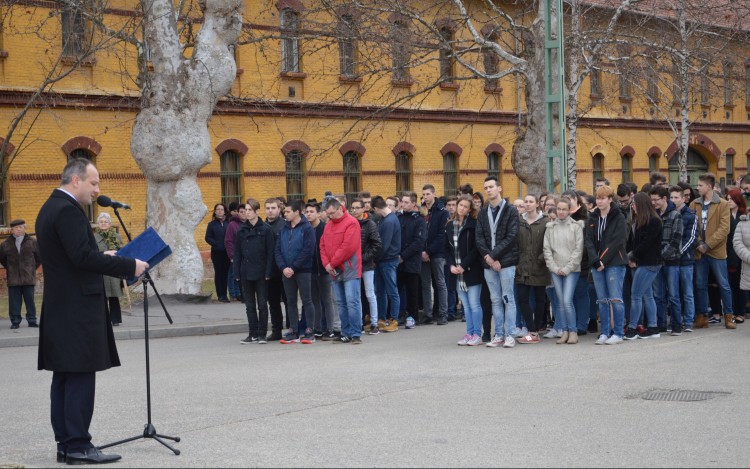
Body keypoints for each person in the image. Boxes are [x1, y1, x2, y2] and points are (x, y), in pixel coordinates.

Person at [36, 158, 147, 465]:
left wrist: (104, 255)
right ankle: (79, 445)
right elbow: (83, 258)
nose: (97, 190)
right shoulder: (68, 211)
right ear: (76, 181)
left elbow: (75, 256)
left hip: (62, 306)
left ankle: (66, 444)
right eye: (93, 183)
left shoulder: (50, 207)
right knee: (80, 376)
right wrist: (127, 265)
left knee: (65, 377)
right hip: (77, 309)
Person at [476, 176, 520, 348]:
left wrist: (495, 256)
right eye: (486, 187)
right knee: (495, 300)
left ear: (499, 188)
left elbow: (512, 236)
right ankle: (499, 335)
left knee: (508, 298)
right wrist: (489, 257)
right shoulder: (483, 212)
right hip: (489, 263)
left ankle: (510, 334)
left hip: (506, 262)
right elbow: (479, 238)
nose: (488, 190)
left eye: (491, 187)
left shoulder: (510, 210)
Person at [691, 173, 735, 329]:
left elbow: (725, 229)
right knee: (700, 284)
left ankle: (729, 317)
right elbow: (691, 227)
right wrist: (700, 243)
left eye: (700, 185)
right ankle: (702, 317)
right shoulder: (694, 204)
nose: (697, 188)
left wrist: (707, 245)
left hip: (715, 251)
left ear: (709, 186)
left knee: (723, 284)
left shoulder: (722, 204)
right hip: (699, 250)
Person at [586, 185, 629, 345]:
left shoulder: (619, 216)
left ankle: (617, 333)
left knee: (616, 299)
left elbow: (617, 241)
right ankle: (604, 332)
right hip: (597, 264)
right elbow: (589, 240)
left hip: (614, 263)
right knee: (602, 300)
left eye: (603, 198)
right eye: (597, 198)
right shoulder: (593, 217)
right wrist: (595, 260)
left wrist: (602, 260)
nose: (600, 201)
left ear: (610, 199)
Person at [232, 199, 276, 344]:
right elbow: (237, 253)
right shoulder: (241, 230)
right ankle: (252, 333)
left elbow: (271, 253)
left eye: (250, 210)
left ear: (257, 211)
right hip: (246, 272)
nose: (247, 212)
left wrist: (269, 272)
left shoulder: (266, 229)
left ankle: (262, 334)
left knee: (262, 305)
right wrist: (237, 273)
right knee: (250, 306)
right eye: (246, 210)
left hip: (262, 272)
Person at [321, 198, 363, 344]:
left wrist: (331, 263)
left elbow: (348, 247)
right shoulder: (328, 226)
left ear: (340, 208)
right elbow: (322, 246)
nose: (330, 216)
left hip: (349, 269)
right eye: (328, 214)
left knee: (352, 301)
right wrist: (327, 264)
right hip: (335, 270)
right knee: (341, 302)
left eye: (332, 213)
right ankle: (346, 332)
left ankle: (356, 333)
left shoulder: (352, 222)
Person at [543, 197, 585, 344]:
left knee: (567, 301)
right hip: (555, 269)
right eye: (558, 209)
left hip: (571, 270)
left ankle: (573, 331)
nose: (561, 212)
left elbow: (578, 250)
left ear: (569, 210)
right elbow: (547, 250)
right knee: (560, 301)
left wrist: (567, 268)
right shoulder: (550, 227)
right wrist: (554, 267)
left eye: (564, 209)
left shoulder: (576, 227)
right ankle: (565, 331)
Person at [275, 199, 317, 344]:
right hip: (286, 272)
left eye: (287, 211)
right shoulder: (283, 229)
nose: (284, 214)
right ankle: (293, 330)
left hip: (303, 271)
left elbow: (308, 251)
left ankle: (310, 331)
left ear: (297, 212)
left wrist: (293, 267)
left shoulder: (307, 228)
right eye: (285, 211)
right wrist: (283, 268)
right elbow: (278, 251)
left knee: (307, 300)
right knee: (290, 301)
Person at [624, 193, 664, 340]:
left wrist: (632, 256)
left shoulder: (653, 221)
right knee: (647, 296)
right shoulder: (638, 221)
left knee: (635, 295)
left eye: (633, 203)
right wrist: (631, 257)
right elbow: (633, 243)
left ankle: (633, 328)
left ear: (640, 204)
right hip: (642, 262)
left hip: (650, 263)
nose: (632, 206)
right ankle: (653, 328)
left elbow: (646, 244)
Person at [446, 196, 484, 346]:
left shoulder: (474, 224)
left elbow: (476, 249)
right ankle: (469, 333)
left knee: (474, 304)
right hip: (456, 272)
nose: (461, 208)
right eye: (460, 205)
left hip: (471, 270)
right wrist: (451, 265)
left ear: (470, 209)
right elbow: (446, 249)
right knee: (465, 305)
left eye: (465, 206)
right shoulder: (449, 225)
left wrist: (464, 265)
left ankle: (477, 335)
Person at [649, 185, 683, 334]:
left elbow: (675, 241)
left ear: (664, 198)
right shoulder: (653, 215)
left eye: (656, 200)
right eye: (652, 200)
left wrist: (660, 255)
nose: (653, 203)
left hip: (671, 261)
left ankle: (677, 324)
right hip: (656, 261)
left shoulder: (676, 215)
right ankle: (661, 323)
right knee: (658, 295)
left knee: (674, 295)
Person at [515, 195, 549, 344]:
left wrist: (541, 260)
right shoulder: (518, 221)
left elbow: (549, 243)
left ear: (537, 204)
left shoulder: (545, 222)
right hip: (522, 265)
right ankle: (532, 331)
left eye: (530, 202)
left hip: (539, 265)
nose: (528, 205)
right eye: (525, 202)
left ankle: (536, 330)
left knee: (540, 299)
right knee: (522, 298)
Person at [305, 201, 341, 340]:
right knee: (315, 302)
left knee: (327, 301)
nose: (308, 214)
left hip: (325, 270)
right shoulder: (306, 228)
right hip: (310, 271)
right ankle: (318, 329)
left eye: (311, 211)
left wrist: (329, 265)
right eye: (307, 212)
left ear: (319, 213)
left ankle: (330, 329)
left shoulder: (325, 228)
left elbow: (330, 248)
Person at [0, 219, 41, 329]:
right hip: (14, 278)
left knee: (30, 300)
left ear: (24, 228)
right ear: (12, 229)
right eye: (16, 227)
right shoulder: (5, 244)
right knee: (14, 302)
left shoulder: (33, 242)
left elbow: (39, 258)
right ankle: (15, 321)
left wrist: (31, 268)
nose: (19, 229)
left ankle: (32, 320)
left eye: (21, 227)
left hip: (28, 276)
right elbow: (2, 259)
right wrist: (11, 268)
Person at [563, 190, 593, 335]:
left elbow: (587, 244)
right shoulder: (561, 219)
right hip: (564, 264)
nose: (567, 202)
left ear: (577, 201)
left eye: (569, 199)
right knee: (569, 296)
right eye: (564, 200)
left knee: (581, 294)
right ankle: (571, 324)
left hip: (581, 263)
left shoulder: (585, 220)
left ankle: (581, 324)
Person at [351, 198, 382, 333]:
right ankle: (359, 323)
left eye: (357, 207)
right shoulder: (350, 223)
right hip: (353, 266)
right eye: (352, 208)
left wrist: (363, 258)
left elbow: (377, 245)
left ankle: (374, 323)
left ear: (364, 209)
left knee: (370, 294)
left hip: (367, 265)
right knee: (356, 296)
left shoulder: (370, 224)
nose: (354, 210)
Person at [669, 185, 698, 332]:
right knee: (673, 294)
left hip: (685, 260)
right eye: (671, 197)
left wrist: (677, 252)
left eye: (676, 197)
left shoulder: (691, 215)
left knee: (687, 293)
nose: (673, 200)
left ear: (684, 198)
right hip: (671, 261)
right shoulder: (667, 214)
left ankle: (688, 322)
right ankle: (675, 322)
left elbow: (692, 238)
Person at [420, 185, 449, 325]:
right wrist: (422, 252)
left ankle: (443, 314)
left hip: (436, 253)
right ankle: (427, 314)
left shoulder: (442, 211)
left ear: (434, 194)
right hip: (422, 254)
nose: (425, 197)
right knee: (425, 284)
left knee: (440, 283)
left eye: (428, 194)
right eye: (424, 194)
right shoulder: (422, 210)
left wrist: (428, 252)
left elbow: (441, 235)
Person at [396, 191, 426, 330]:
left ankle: (412, 316)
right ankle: (395, 316)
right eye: (402, 201)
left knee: (412, 291)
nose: (403, 204)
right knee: (395, 289)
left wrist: (403, 256)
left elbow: (419, 242)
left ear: (414, 203)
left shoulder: (419, 219)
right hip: (398, 261)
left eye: (407, 202)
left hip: (412, 261)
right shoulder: (398, 217)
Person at [372, 195, 402, 331]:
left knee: (392, 291)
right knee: (381, 291)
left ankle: (394, 320)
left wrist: (376, 259)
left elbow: (384, 244)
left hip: (388, 260)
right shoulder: (386, 219)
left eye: (374, 211)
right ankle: (382, 319)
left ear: (376, 208)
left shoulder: (389, 221)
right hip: (383, 260)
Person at [93, 214, 125, 326]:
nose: (103, 223)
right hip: (101, 270)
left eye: (105, 221)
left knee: (114, 296)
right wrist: (103, 254)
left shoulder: (116, 236)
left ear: (110, 224)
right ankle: (102, 320)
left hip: (114, 270)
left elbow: (122, 251)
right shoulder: (94, 238)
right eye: (101, 221)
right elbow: (92, 254)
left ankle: (115, 320)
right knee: (101, 296)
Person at [265, 198, 288, 340]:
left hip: (284, 270)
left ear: (279, 209)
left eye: (273, 208)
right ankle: (276, 330)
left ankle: (292, 328)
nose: (270, 210)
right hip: (269, 271)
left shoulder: (285, 225)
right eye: (267, 208)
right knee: (272, 302)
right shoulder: (262, 226)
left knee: (288, 301)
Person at [726, 189, 748, 324]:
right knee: (732, 284)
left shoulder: (745, 215)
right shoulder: (725, 214)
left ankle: (741, 312)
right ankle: (733, 311)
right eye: (727, 198)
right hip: (729, 253)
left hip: (743, 253)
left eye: (731, 199)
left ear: (738, 200)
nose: (729, 201)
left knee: (743, 284)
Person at [205, 203, 230, 303]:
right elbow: (207, 237)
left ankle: (225, 294)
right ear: (215, 211)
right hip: (217, 252)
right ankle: (220, 295)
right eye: (218, 209)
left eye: (222, 209)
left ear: (224, 211)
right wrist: (216, 244)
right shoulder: (212, 224)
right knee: (219, 273)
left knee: (225, 274)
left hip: (227, 252)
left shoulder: (228, 223)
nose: (220, 211)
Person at [224, 202, 246, 302]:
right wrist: (232, 256)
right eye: (241, 212)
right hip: (237, 255)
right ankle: (233, 294)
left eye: (246, 211)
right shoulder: (232, 225)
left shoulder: (251, 224)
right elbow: (229, 241)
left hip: (249, 256)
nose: (244, 213)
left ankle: (241, 294)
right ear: (237, 213)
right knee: (235, 275)